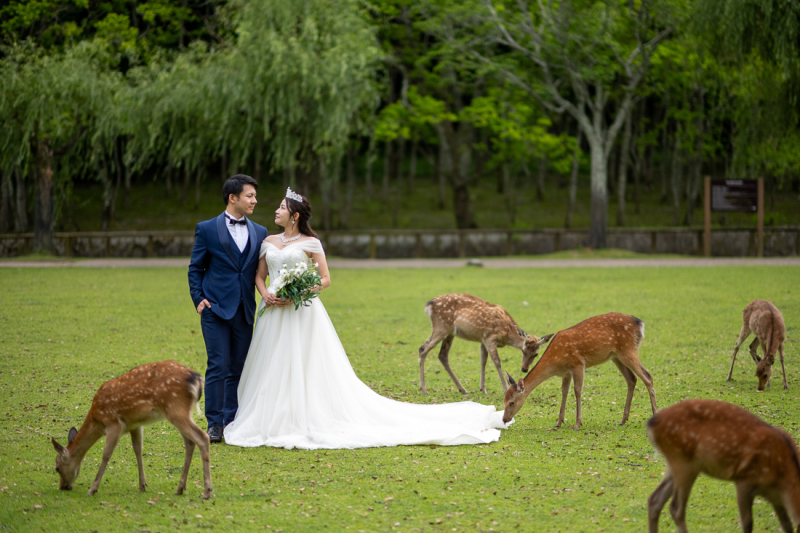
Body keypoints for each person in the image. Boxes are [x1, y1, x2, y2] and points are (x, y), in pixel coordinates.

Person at [223, 187, 508, 449]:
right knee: (273, 361)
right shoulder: (268, 240)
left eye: (282, 207)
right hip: (272, 312)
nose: (276, 210)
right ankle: (271, 414)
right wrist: (267, 294)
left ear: (294, 215)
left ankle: (305, 412)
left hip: (300, 311)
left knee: (304, 362)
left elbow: (325, 279)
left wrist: (297, 295)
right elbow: (259, 276)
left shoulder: (311, 243)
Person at [188, 175, 269, 443]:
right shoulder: (207, 228)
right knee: (218, 365)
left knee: (238, 367)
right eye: (250, 195)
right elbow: (195, 267)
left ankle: (232, 420)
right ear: (233, 197)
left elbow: (262, 271)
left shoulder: (260, 232)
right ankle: (214, 424)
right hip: (215, 309)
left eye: (255, 196)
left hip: (245, 308)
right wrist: (198, 298)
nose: (255, 200)